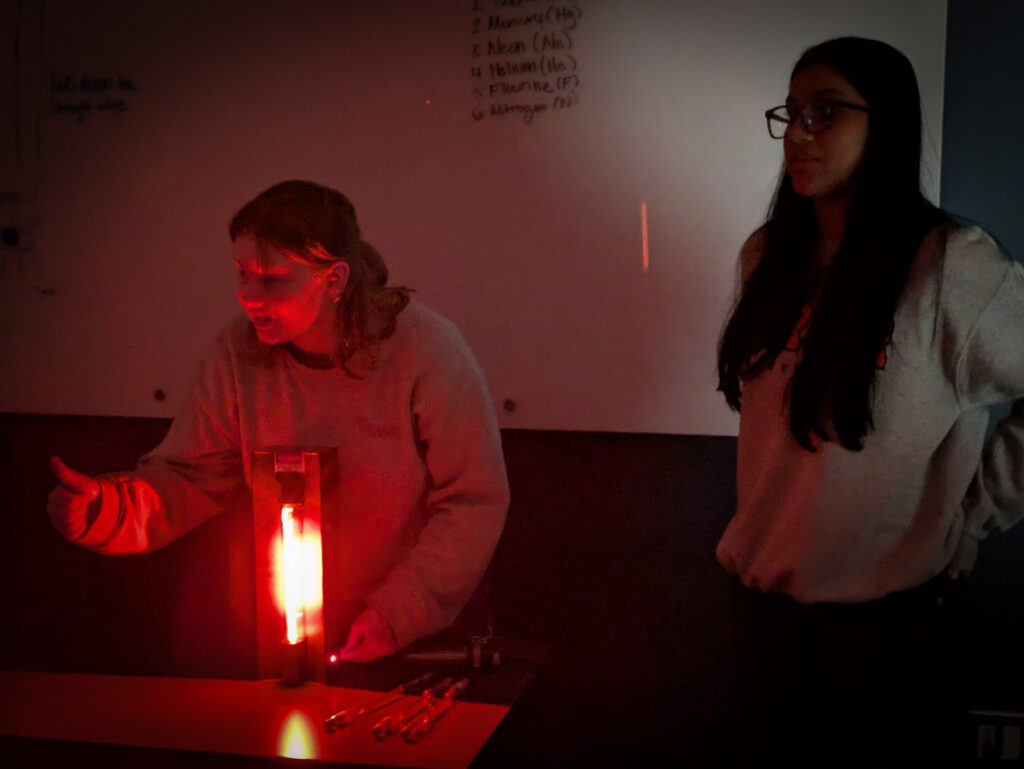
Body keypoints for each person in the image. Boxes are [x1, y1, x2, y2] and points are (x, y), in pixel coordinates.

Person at [715, 37, 1024, 764]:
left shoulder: (951, 263)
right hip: (761, 620)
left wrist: (975, 515)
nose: (797, 134)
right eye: (790, 114)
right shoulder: (767, 256)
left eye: (825, 113)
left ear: (883, 122)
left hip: (890, 641)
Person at [47, 180, 509, 663]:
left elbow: (471, 502)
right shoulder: (237, 352)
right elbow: (193, 476)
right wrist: (107, 511)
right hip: (289, 633)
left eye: (271, 279)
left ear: (334, 281)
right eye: (241, 274)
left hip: (414, 639)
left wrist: (397, 614)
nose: (248, 296)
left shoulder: (426, 352)